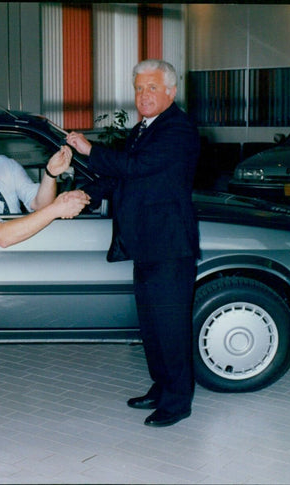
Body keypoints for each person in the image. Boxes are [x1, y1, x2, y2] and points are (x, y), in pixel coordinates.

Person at [66, 59, 200, 427]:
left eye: (152, 88)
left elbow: (136, 167)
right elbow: (120, 176)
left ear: (171, 92)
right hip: (146, 243)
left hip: (170, 247)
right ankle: (162, 386)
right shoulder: (144, 128)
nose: (144, 95)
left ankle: (177, 402)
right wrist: (83, 196)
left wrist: (90, 149)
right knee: (152, 324)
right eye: (139, 88)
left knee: (170, 328)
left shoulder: (178, 129)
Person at [0, 122, 90, 247]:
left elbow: (39, 205)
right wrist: (57, 209)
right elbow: (1, 237)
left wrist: (50, 173)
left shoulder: (5, 165)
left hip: (21, 251)